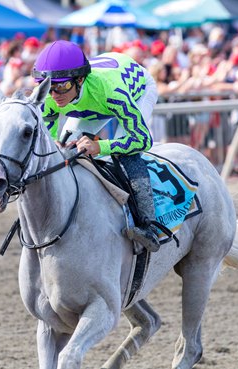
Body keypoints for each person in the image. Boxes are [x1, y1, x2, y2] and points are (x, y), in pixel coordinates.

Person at [31, 40, 160, 252]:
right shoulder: (49, 95)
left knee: (127, 155)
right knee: (65, 149)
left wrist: (100, 147)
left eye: (61, 86)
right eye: (48, 87)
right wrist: (53, 142)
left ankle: (149, 226)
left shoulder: (111, 92)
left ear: (79, 80)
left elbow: (142, 139)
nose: (54, 95)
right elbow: (48, 139)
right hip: (90, 101)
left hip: (136, 90)